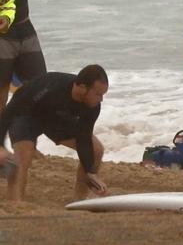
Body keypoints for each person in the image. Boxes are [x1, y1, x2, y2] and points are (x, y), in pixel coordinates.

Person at [0, 65, 109, 201]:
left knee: (96, 149)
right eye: (98, 94)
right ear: (81, 87)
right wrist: (1, 146)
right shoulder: (50, 86)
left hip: (56, 119)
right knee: (24, 154)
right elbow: (11, 110)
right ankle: (15, 202)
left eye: (103, 95)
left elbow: (84, 137)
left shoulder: (92, 106)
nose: (101, 100)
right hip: (27, 115)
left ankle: (79, 200)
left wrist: (90, 172)